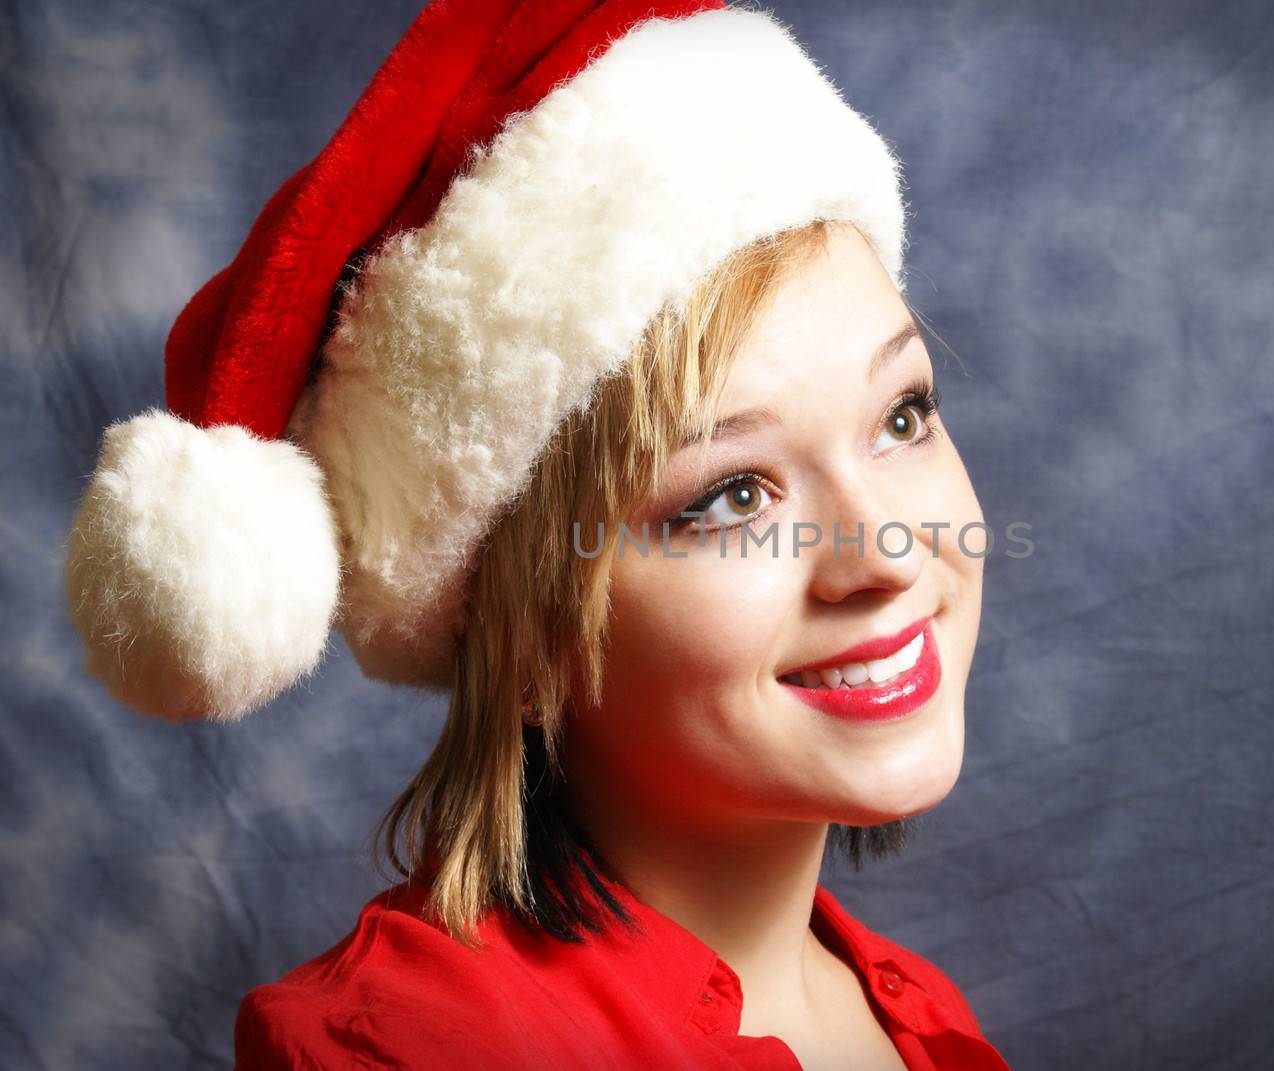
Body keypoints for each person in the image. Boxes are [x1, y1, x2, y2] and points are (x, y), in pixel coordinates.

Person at [63, 2, 1009, 1067]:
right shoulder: (413, 1052)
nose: (886, 554)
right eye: (733, 496)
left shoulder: (917, 1011)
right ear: (518, 644)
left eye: (901, 417)